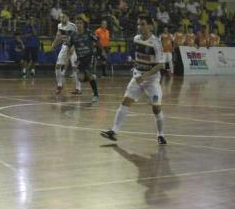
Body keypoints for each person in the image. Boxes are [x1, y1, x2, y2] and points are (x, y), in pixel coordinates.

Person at [101, 16, 168, 145]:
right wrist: (135, 67)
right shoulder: (136, 39)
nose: (140, 27)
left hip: (152, 79)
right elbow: (135, 56)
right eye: (138, 24)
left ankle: (160, 135)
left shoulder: (156, 42)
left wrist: (146, 75)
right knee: (125, 101)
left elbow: (161, 65)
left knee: (156, 108)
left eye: (142, 24)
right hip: (138, 77)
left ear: (150, 26)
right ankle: (113, 131)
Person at [66, 18, 102, 102]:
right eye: (77, 23)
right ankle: (90, 77)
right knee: (81, 78)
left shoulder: (88, 32)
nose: (79, 24)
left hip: (90, 57)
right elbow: (68, 46)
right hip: (80, 59)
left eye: (80, 23)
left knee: (89, 75)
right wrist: (68, 56)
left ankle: (96, 95)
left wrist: (101, 52)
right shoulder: (72, 35)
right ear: (75, 25)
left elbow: (97, 40)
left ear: (83, 24)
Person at [52, 13, 78, 96]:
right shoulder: (59, 25)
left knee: (75, 67)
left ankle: (78, 88)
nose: (61, 19)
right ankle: (59, 85)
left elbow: (77, 38)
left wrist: (73, 48)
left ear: (67, 18)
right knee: (57, 65)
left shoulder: (73, 26)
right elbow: (58, 36)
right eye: (60, 17)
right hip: (64, 46)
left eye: (63, 17)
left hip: (74, 47)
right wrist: (54, 43)